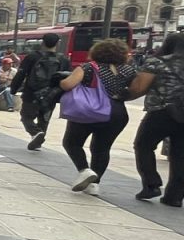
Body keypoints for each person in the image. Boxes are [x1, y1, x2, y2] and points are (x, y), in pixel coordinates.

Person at [54, 38, 148, 196]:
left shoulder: (89, 67)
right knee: (101, 149)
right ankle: (94, 185)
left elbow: (68, 84)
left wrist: (61, 80)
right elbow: (133, 91)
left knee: (72, 143)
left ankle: (84, 170)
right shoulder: (129, 71)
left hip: (89, 111)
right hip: (116, 112)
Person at [135, 33, 184, 207]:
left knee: (144, 145)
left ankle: (151, 184)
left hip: (161, 111)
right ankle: (175, 196)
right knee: (180, 155)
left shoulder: (157, 61)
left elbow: (140, 87)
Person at [10, 33, 69, 150]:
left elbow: (21, 74)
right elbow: (67, 78)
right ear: (58, 44)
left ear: (42, 42)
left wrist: (14, 89)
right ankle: (38, 140)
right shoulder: (63, 59)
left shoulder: (32, 56)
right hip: (51, 94)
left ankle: (36, 133)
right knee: (44, 118)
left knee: (26, 117)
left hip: (32, 93)